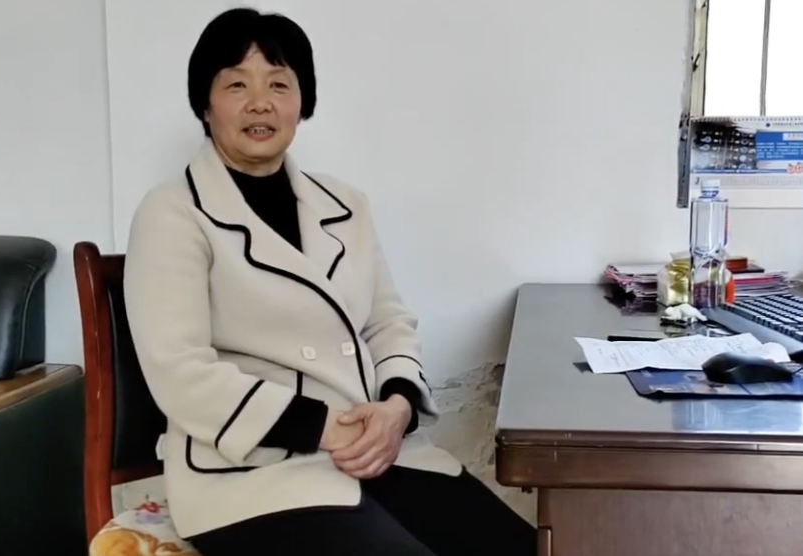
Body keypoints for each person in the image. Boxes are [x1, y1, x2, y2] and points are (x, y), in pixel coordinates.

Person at [123, 7, 536, 556]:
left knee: (523, 547)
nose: (260, 102)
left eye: (279, 84)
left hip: (372, 451)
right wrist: (322, 427)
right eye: (236, 85)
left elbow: (388, 323)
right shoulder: (171, 213)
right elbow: (179, 371)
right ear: (205, 103)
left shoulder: (345, 204)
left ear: (303, 101)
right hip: (250, 476)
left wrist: (397, 409)